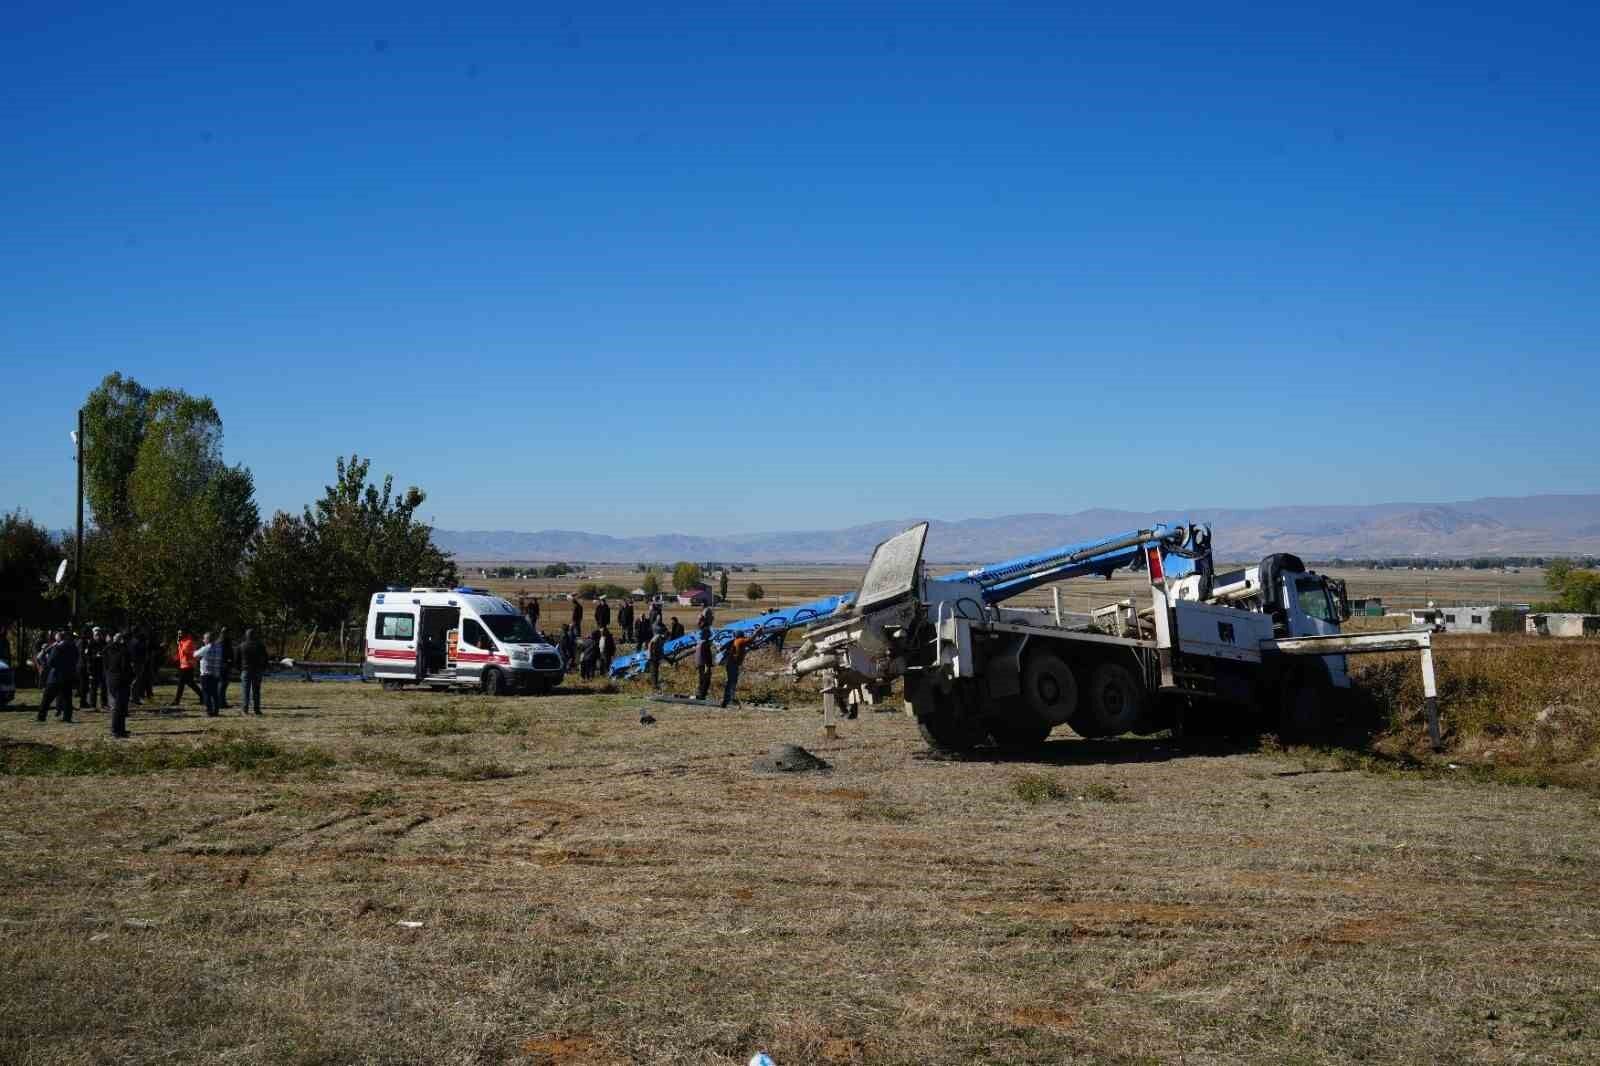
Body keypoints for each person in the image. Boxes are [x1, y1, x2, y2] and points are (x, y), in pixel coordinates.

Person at [36, 631, 77, 723]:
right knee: (67, 698)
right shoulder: (73, 647)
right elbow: (75, 659)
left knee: (47, 698)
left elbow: (50, 662)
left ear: (58, 638)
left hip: (56, 676)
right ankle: (67, 717)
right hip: (68, 675)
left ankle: (41, 716)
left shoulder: (58, 648)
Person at [104, 630, 131, 738]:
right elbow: (125, 667)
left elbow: (105, 664)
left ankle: (120, 729)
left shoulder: (107, 650)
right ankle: (116, 729)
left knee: (118, 705)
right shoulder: (123, 651)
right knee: (120, 706)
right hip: (121, 680)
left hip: (111, 678)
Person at [238, 627, 267, 715]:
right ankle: (257, 709)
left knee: (245, 690)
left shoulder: (242, 646)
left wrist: (239, 668)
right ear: (254, 635)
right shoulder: (260, 645)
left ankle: (245, 709)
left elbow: (237, 659)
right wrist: (263, 667)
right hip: (257, 670)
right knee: (256, 691)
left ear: (246, 636)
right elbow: (265, 657)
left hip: (245, 670)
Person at [170, 630, 203, 708]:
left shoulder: (189, 641)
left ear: (185, 633)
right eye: (178, 633)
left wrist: (179, 644)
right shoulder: (182, 641)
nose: (179, 635)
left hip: (188, 665)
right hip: (184, 665)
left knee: (181, 683)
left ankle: (176, 700)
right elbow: (181, 654)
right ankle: (203, 696)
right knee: (190, 683)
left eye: (181, 633)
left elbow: (185, 652)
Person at [195, 630, 224, 717]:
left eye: (204, 639)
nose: (203, 640)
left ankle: (209, 711)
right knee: (215, 693)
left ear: (207, 639)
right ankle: (216, 711)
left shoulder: (205, 648)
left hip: (206, 674)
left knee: (206, 693)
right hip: (216, 673)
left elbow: (195, 654)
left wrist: (201, 648)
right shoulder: (219, 648)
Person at [720, 634, 752, 708]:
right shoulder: (739, 640)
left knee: (731, 681)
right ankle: (728, 700)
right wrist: (757, 633)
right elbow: (750, 640)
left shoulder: (734, 642)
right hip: (733, 664)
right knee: (732, 681)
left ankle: (727, 700)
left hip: (730, 664)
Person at [127, 628, 148, 706]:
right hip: (137, 663)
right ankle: (133, 698)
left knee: (136, 680)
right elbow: (140, 653)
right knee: (136, 681)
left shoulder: (132, 641)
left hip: (135, 662)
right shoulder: (137, 642)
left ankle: (134, 697)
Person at [694, 625, 714, 701]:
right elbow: (706, 656)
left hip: (700, 664)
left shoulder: (699, 643)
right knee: (706, 680)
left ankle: (700, 694)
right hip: (705, 664)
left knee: (702, 679)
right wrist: (707, 666)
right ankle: (702, 695)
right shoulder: (705, 644)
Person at [217, 627, 235, 708]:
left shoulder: (220, 640)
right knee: (223, 684)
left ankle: (221, 702)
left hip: (221, 664)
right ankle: (221, 702)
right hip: (224, 664)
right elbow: (227, 653)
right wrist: (229, 661)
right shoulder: (224, 641)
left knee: (222, 684)